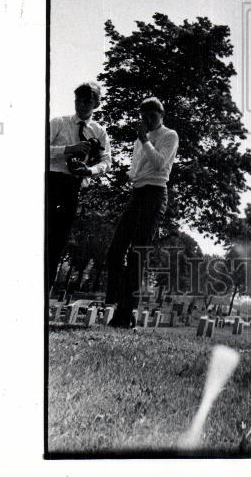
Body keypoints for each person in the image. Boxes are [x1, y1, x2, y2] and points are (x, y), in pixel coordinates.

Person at [105, 97, 178, 328]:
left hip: (155, 193)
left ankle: (125, 315)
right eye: (144, 115)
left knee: (138, 253)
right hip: (137, 192)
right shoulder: (140, 140)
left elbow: (159, 163)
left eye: (152, 116)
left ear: (161, 115)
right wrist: (130, 175)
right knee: (116, 250)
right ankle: (115, 304)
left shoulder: (169, 135)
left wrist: (145, 140)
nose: (147, 119)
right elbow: (137, 167)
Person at [47, 81, 111, 292]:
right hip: (51, 180)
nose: (81, 105)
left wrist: (90, 170)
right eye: (78, 100)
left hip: (72, 186)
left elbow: (106, 162)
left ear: (96, 104)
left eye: (87, 101)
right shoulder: (59, 122)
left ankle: (45, 288)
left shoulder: (99, 132)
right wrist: (68, 149)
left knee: (59, 238)